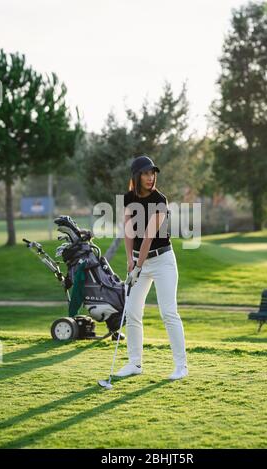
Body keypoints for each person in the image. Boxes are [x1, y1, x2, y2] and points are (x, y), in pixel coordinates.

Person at [115, 155, 188, 380]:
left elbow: (148, 236)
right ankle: (134, 364)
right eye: (145, 173)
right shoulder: (128, 198)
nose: (150, 177)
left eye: (152, 173)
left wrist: (138, 266)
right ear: (136, 176)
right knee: (133, 311)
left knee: (168, 312)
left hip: (162, 261)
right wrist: (130, 261)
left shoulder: (160, 199)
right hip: (138, 262)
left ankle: (181, 366)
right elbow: (129, 232)